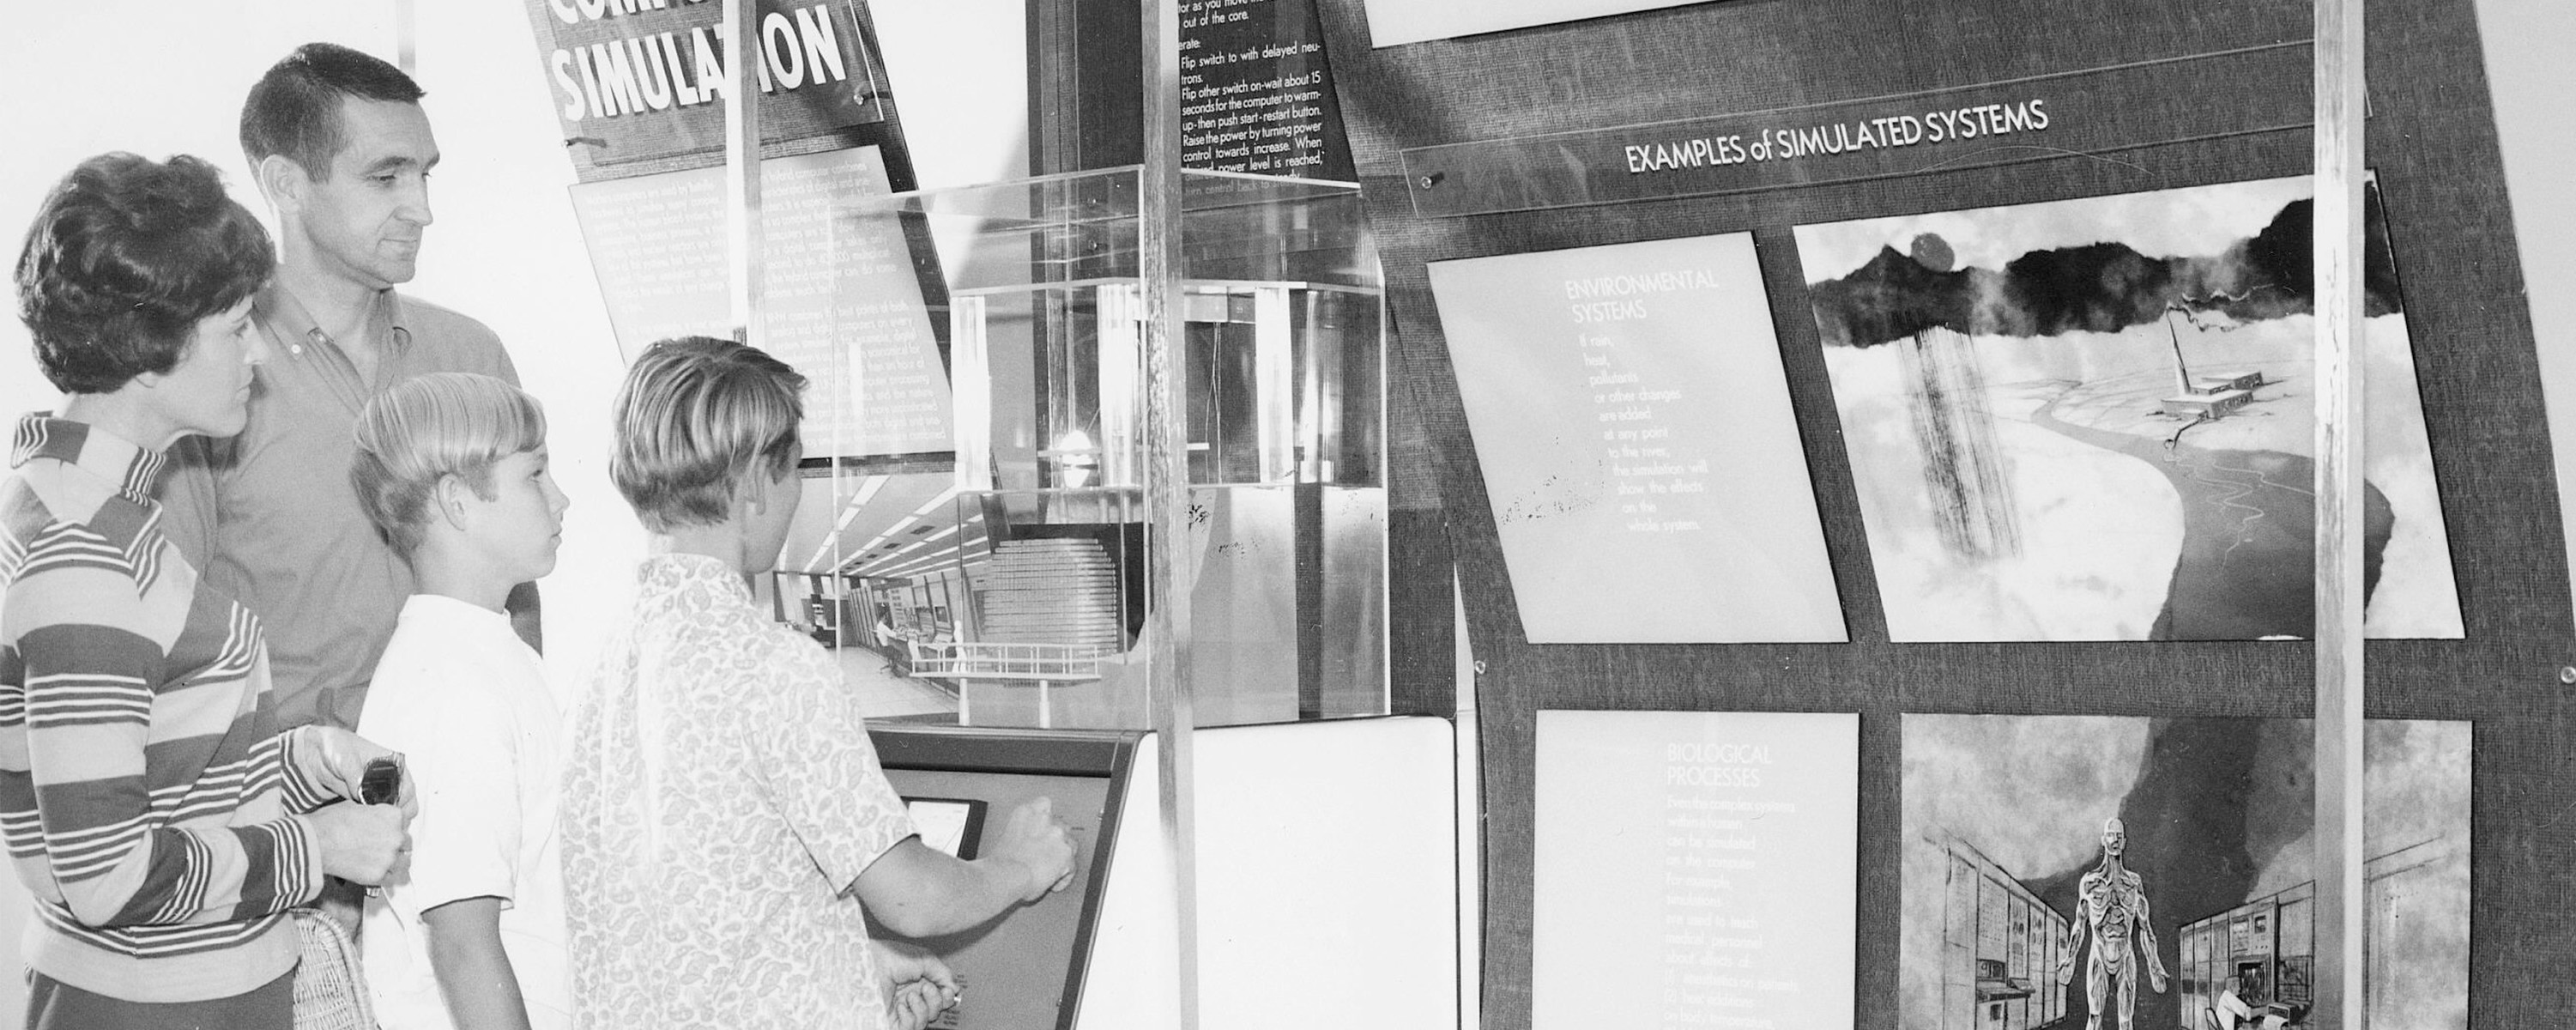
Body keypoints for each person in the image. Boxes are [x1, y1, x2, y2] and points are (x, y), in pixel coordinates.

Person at [3, 151, 414, 1028]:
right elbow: (109, 876)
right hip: (160, 1003)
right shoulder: (84, 558)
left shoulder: (83, 498)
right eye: (235, 329)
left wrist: (305, 762)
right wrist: (316, 849)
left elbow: (161, 768)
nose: (257, 354)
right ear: (151, 355)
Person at [565, 336, 1080, 1030]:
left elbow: (696, 911)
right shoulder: (774, 667)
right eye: (794, 469)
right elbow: (914, 899)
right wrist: (1020, 866)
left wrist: (843, 960)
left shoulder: (603, 670)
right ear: (753, 483)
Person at [160, 41, 528, 734]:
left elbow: (517, 596)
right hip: (288, 816)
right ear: (286, 185)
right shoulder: (205, 379)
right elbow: (161, 640)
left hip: (464, 790)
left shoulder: (472, 357)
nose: (421, 210)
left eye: (424, 174)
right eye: (386, 178)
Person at [348, 374, 572, 1030]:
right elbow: (464, 947)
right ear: (457, 502)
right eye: (535, 476)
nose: (561, 499)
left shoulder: (486, 653)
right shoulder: (452, 687)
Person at [2059, 815, 2168, 1030]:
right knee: (2094, 1017)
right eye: (2111, 835)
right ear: (2103, 840)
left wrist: (2154, 966)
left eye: (2119, 836)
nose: (2115, 840)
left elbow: (2145, 928)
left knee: (2126, 1022)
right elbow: (2079, 924)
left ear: (2124, 842)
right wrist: (2070, 959)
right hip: (2099, 954)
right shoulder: (2090, 883)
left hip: (2125, 956)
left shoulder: (2134, 884)